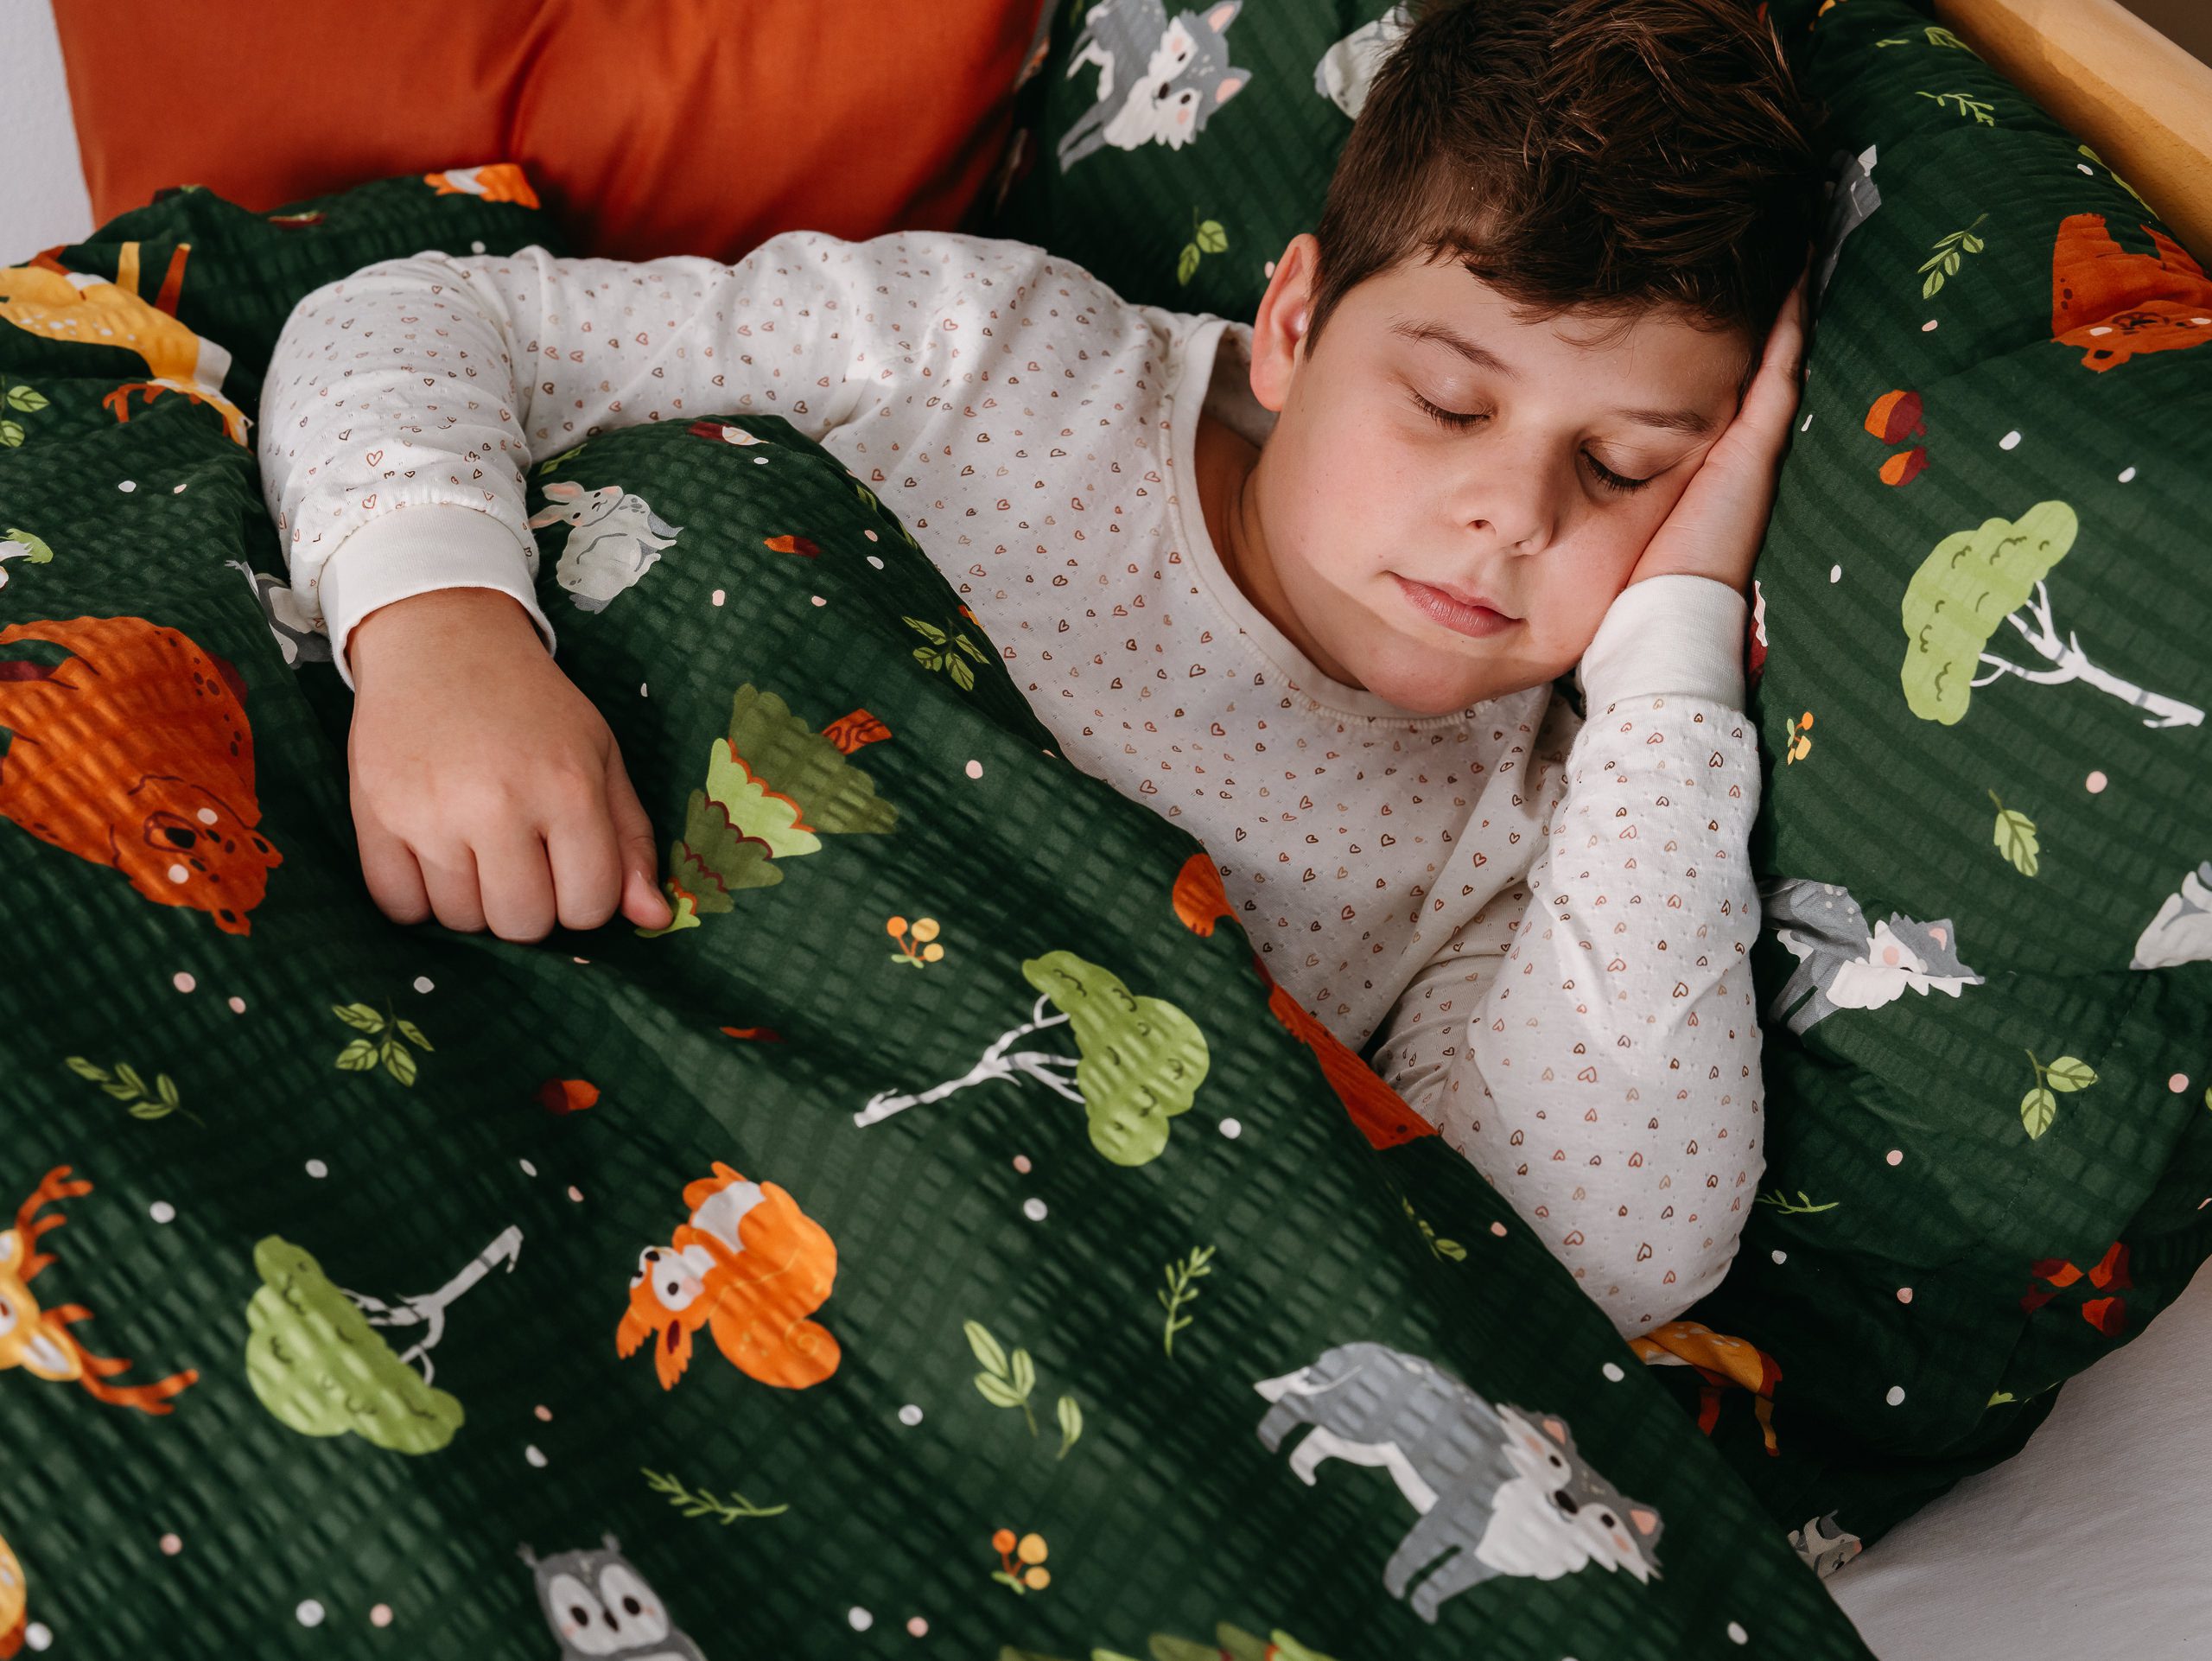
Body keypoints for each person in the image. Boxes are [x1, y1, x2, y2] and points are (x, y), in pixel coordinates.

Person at [256, 0, 1820, 1333]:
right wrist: (440, 629)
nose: (1516, 515)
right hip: (520, 966)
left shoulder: (1529, 822)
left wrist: (1673, 657)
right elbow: (426, 316)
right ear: (1292, 325)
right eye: (1450, 407)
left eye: (1622, 469)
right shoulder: (995, 357)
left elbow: (1600, 1249)